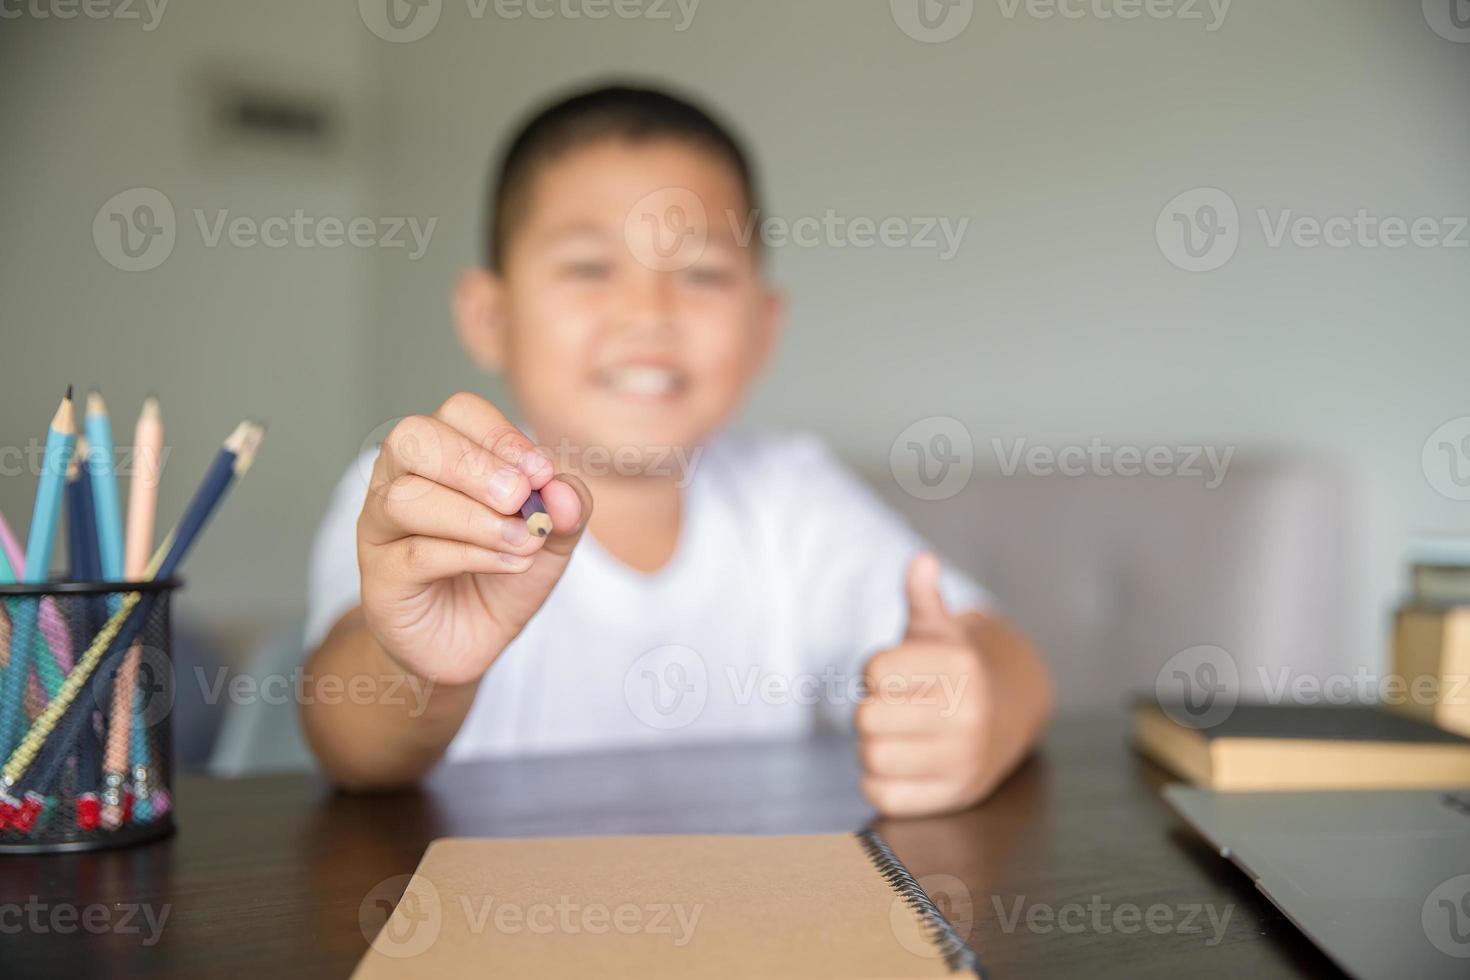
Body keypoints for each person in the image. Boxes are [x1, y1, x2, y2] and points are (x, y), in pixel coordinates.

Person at [301, 83, 1053, 817]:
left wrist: (977, 705)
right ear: (489, 316)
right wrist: (418, 666)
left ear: (763, 326)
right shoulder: (420, 497)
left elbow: (1007, 658)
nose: (647, 315)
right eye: (590, 268)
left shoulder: (791, 496)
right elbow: (351, 748)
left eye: (701, 273)